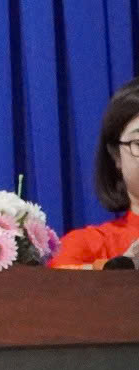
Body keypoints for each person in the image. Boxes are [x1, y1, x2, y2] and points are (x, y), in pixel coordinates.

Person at [50, 77, 139, 269]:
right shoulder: (87, 245)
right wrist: (122, 268)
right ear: (116, 155)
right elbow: (57, 281)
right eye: (138, 143)